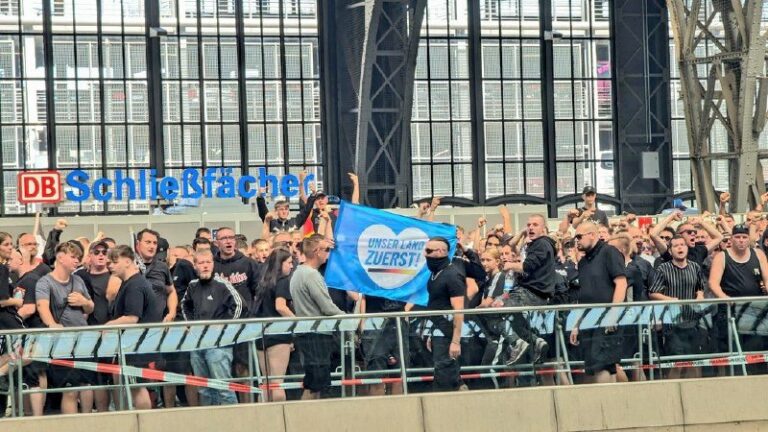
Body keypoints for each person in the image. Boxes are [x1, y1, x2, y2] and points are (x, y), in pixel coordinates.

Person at [35, 242, 95, 414]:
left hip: (83, 339)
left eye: (78, 257)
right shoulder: (45, 282)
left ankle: (89, 421)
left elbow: (90, 307)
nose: (77, 260)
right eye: (73, 257)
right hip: (62, 342)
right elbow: (42, 307)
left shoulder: (78, 280)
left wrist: (84, 302)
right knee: (70, 389)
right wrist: (53, 325)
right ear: (60, 258)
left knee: (86, 385)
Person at [181, 249, 244, 406]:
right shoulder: (192, 285)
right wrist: (190, 323)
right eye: (201, 263)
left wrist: (224, 326)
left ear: (213, 264)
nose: (205, 266)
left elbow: (239, 305)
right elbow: (184, 305)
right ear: (195, 266)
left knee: (224, 388)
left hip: (219, 345)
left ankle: (235, 419)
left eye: (208, 262)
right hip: (197, 344)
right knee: (203, 389)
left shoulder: (223, 284)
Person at [570, 222, 628, 384]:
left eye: (579, 236)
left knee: (602, 365)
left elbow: (621, 283)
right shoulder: (583, 262)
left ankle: (607, 400)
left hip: (607, 318)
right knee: (597, 368)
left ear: (592, 235)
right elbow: (584, 295)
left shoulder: (609, 252)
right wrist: (576, 324)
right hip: (589, 321)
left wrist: (613, 315)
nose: (576, 240)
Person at [105, 245, 161, 410]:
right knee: (131, 385)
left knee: (137, 387)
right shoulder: (130, 283)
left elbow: (131, 317)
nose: (110, 265)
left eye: (115, 261)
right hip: (133, 344)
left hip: (137, 345)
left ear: (128, 262)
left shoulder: (135, 285)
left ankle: (143, 421)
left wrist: (107, 326)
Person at [290, 234, 344, 400]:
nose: (329, 253)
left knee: (314, 382)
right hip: (316, 334)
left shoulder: (299, 272)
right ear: (316, 251)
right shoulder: (311, 275)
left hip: (309, 332)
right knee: (316, 383)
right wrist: (349, 318)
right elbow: (327, 307)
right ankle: (305, 415)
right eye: (326, 249)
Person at [648, 236, 706, 379]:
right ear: (670, 250)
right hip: (672, 324)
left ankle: (696, 389)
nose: (680, 248)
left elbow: (700, 288)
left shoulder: (695, 267)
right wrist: (671, 300)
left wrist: (700, 296)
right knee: (677, 364)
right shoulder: (663, 268)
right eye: (676, 246)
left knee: (694, 363)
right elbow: (653, 293)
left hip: (693, 321)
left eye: (682, 245)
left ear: (687, 248)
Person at [503, 215, 555, 365]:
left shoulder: (541, 243)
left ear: (544, 229)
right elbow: (511, 244)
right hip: (531, 293)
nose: (531, 227)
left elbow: (527, 266)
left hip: (530, 293)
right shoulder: (535, 244)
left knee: (492, 310)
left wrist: (510, 265)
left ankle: (517, 343)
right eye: (529, 224)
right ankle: (535, 342)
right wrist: (522, 231)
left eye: (535, 225)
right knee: (513, 319)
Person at [422, 236, 466, 392]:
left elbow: (458, 310)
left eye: (428, 251)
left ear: (441, 251)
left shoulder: (452, 275)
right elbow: (435, 303)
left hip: (447, 332)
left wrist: (455, 341)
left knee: (445, 377)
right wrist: (431, 332)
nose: (425, 254)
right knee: (446, 374)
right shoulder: (435, 274)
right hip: (437, 330)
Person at [252, 248, 295, 402]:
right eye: (289, 262)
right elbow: (281, 306)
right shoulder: (282, 281)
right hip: (278, 335)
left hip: (261, 335)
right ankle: (279, 415)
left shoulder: (263, 283)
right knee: (277, 383)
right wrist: (297, 322)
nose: (292, 266)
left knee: (266, 383)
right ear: (280, 264)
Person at [651, 211, 722, 267]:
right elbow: (653, 234)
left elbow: (719, 237)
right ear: (679, 235)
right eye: (689, 232)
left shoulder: (698, 251)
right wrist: (672, 216)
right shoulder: (671, 251)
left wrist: (701, 222)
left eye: (695, 232)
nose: (693, 234)